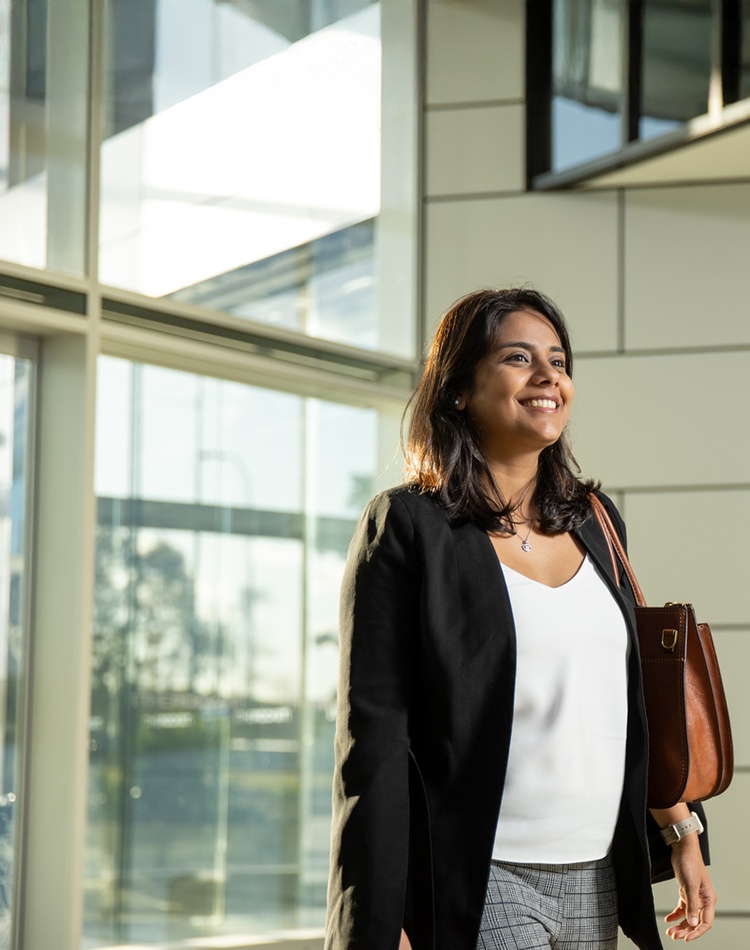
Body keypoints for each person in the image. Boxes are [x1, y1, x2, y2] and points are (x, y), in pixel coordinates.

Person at [325, 288, 716, 950]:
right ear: (456, 390)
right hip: (484, 875)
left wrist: (681, 831)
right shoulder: (408, 528)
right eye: (517, 357)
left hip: (598, 875)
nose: (549, 378)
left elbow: (624, 701)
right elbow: (376, 742)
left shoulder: (594, 518)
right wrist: (379, 912)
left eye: (558, 361)